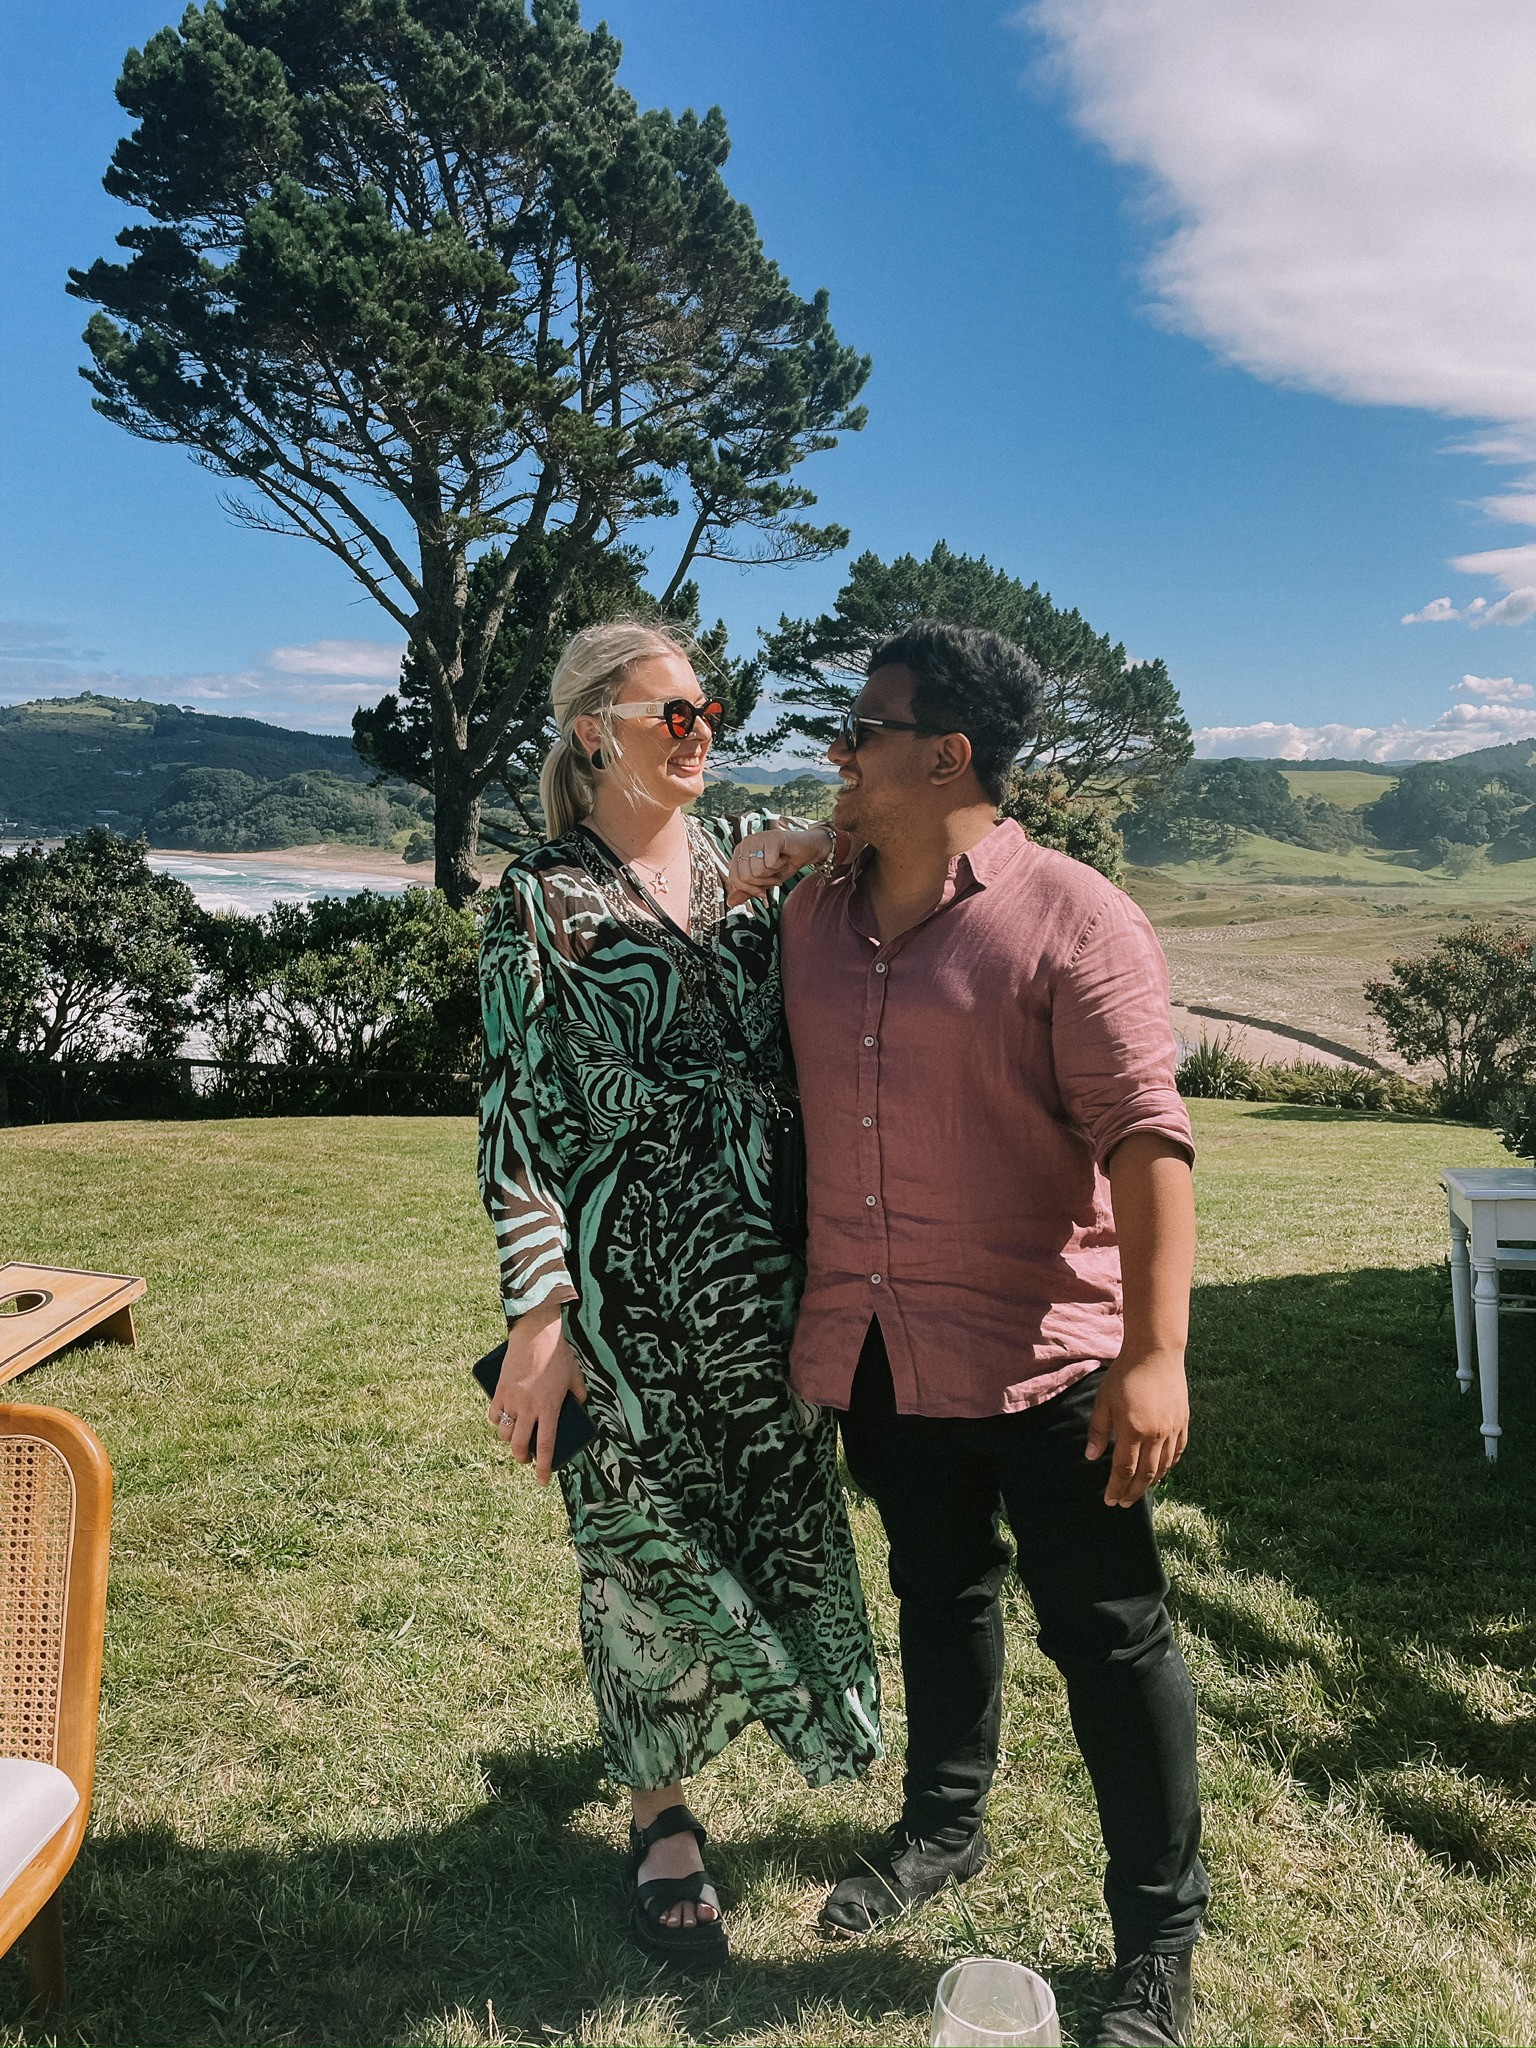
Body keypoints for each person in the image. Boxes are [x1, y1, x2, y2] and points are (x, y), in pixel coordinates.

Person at [729, 620, 1209, 2046]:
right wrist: (768, 858)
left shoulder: (1076, 917)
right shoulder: (809, 913)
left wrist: (1155, 1356)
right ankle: (943, 1825)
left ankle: (1158, 1941)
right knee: (936, 1592)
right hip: (876, 1348)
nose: (837, 751)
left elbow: (1147, 1142)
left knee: (1110, 1638)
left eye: (862, 730)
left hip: (1049, 1358)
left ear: (947, 755)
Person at [476, 619, 882, 1974]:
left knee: (776, 1516)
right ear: (594, 729)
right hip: (627, 1294)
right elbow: (516, 1122)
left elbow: (892, 842)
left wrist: (813, 839)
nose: (702, 733)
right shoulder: (537, 900)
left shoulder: (742, 863)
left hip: (769, 1277)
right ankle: (661, 1820)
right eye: (675, 715)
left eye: (712, 712)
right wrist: (540, 1317)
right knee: (637, 1549)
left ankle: (804, 1731)